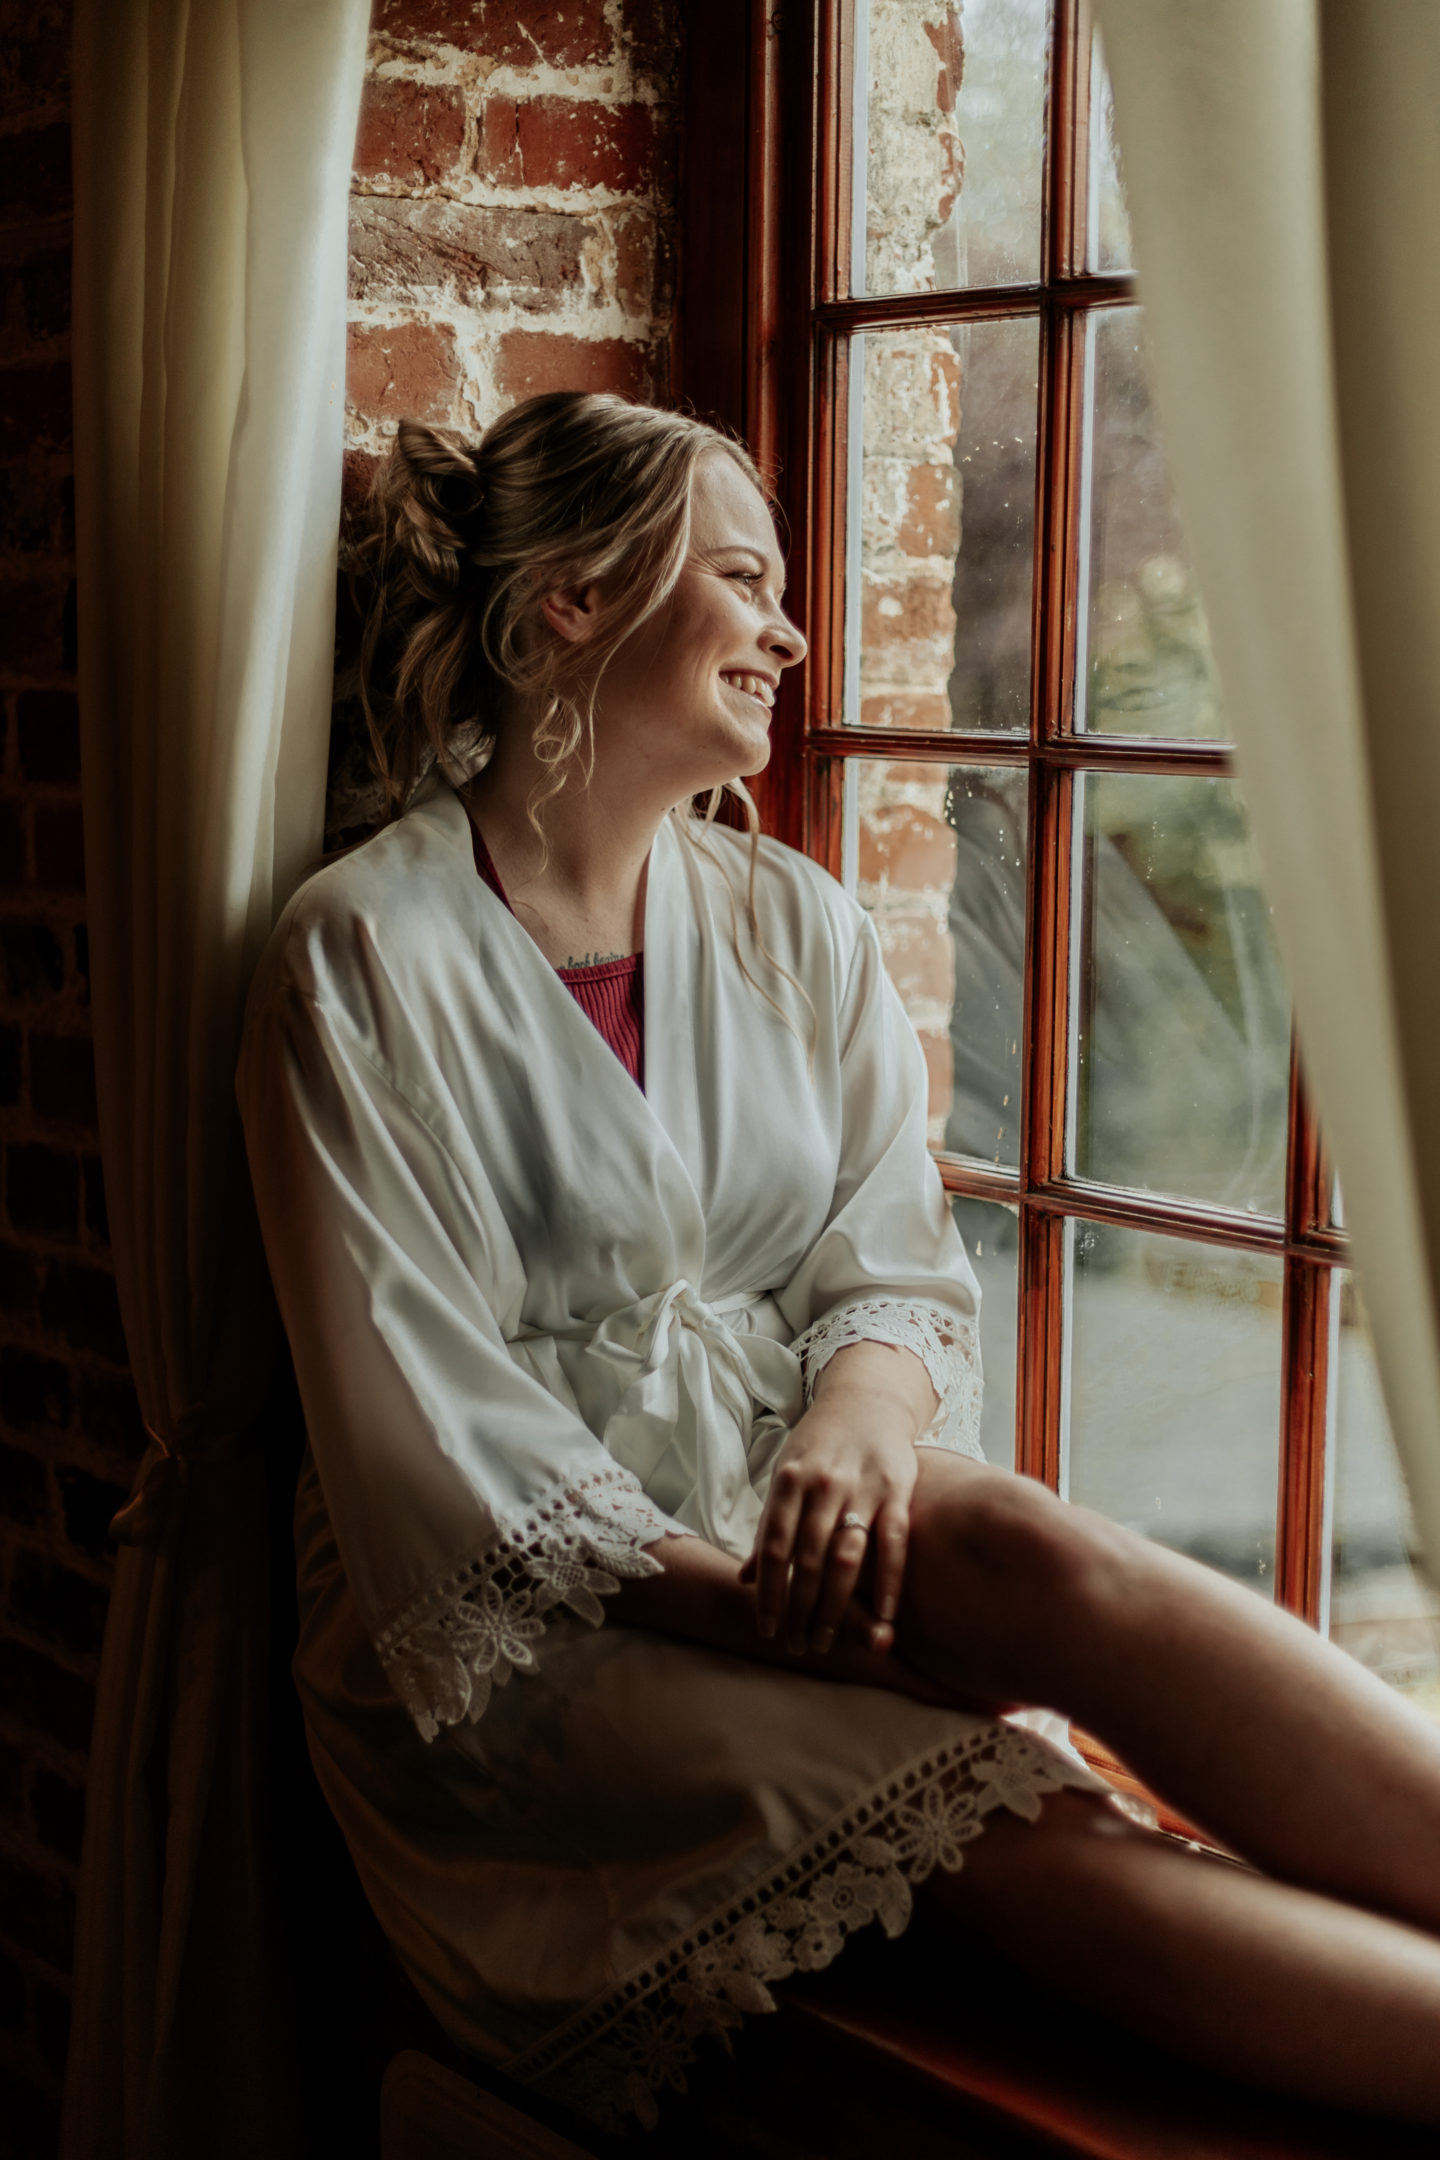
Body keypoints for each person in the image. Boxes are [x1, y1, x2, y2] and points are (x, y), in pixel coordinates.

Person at [238, 391, 1440, 2136]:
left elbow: (888, 1253)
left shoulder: (787, 920)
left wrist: (863, 1423)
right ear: (571, 601)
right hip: (529, 1652)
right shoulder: (356, 960)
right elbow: (444, 1462)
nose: (792, 632)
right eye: (745, 579)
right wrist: (814, 1639)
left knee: (1034, 1547)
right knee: (1026, 1830)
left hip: (775, 1503)